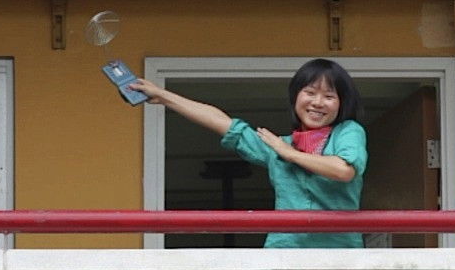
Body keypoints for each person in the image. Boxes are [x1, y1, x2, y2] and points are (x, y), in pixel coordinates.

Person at [129, 58, 367, 248]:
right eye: (310, 92)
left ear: (341, 104)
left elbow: (343, 170)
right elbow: (224, 123)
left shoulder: (347, 131)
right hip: (285, 253)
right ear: (296, 96)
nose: (318, 102)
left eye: (329, 96)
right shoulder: (278, 146)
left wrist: (290, 154)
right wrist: (163, 96)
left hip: (340, 254)